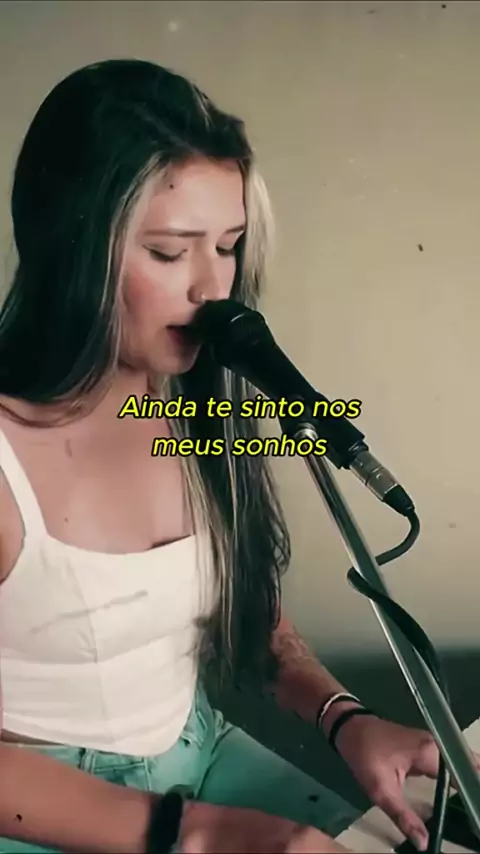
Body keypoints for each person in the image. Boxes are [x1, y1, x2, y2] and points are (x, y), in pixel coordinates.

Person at [0, 59, 476, 854]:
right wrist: (197, 831)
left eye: (227, 246)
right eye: (168, 251)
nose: (213, 287)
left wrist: (345, 718)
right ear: (68, 249)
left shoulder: (187, 409)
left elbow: (246, 610)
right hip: (44, 804)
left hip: (199, 753)